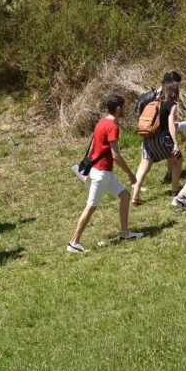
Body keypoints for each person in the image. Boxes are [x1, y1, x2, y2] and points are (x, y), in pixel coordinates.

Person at [67, 95, 143, 254]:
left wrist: (87, 170)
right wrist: (130, 174)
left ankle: (125, 234)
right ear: (118, 109)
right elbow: (115, 155)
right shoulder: (112, 127)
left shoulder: (101, 122)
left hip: (101, 171)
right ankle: (74, 242)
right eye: (124, 106)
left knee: (125, 196)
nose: (125, 109)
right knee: (90, 207)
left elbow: (94, 145)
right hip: (101, 174)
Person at [131, 82, 183, 204]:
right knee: (178, 161)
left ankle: (135, 196)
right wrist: (175, 143)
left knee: (143, 167)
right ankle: (175, 190)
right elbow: (171, 126)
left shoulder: (153, 103)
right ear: (174, 92)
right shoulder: (171, 105)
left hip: (147, 139)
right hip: (162, 139)